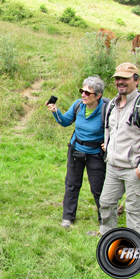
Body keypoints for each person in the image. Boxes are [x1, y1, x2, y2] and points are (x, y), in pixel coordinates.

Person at [91, 62, 140, 236]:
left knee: (133, 208)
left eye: (125, 78)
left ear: (136, 81)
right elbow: (109, 129)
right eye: (117, 79)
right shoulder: (113, 105)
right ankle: (106, 232)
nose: (120, 82)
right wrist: (108, 147)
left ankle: (134, 242)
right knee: (106, 202)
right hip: (113, 166)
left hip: (133, 169)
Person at [46, 76, 107, 228]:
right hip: (76, 151)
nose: (83, 95)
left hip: (96, 154)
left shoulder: (106, 110)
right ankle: (67, 218)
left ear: (98, 95)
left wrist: (110, 142)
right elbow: (65, 121)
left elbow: (116, 128)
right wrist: (56, 111)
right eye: (82, 91)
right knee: (72, 185)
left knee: (98, 188)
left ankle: (105, 220)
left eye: (88, 92)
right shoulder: (78, 105)